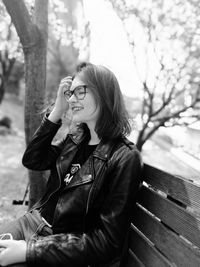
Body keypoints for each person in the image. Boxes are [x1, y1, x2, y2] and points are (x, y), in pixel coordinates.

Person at [0, 62, 143, 267]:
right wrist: (57, 110)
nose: (72, 99)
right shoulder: (76, 139)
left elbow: (106, 242)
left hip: (56, 244)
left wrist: (30, 250)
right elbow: (33, 159)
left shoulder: (124, 157)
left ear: (102, 93)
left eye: (79, 92)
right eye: (70, 93)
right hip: (32, 222)